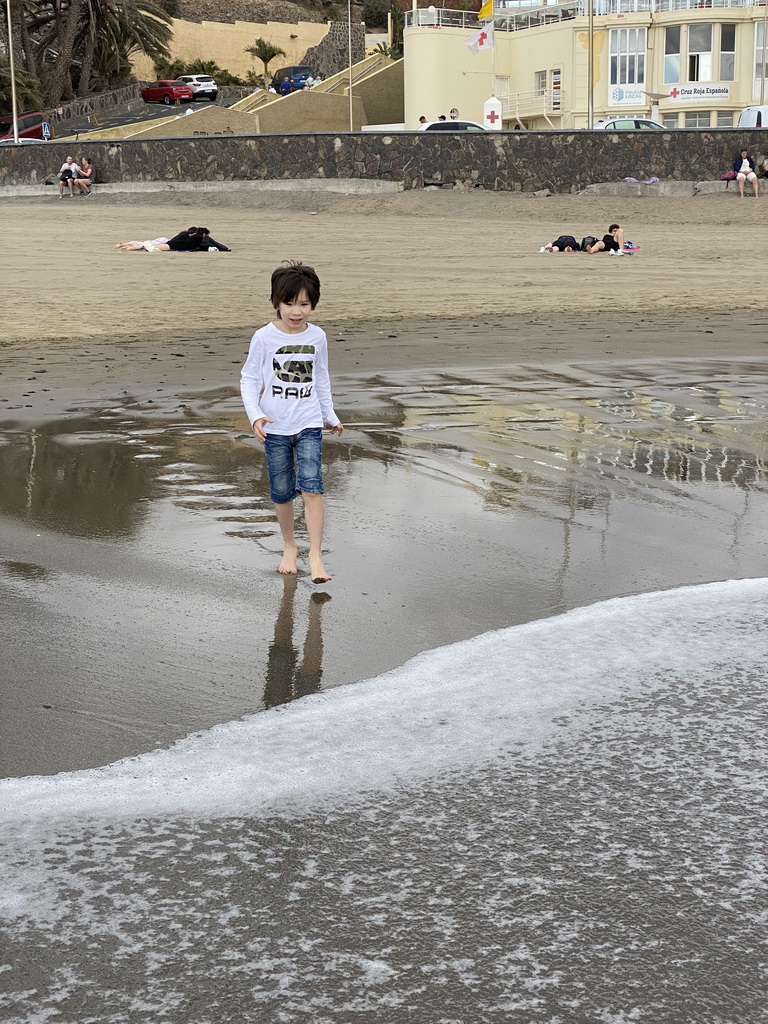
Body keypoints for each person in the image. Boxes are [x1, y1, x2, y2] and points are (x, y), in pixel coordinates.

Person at [240, 261, 344, 583]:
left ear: (313, 304)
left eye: (304, 304)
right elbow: (248, 378)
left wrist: (330, 415)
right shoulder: (264, 337)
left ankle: (315, 556)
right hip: (274, 426)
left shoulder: (318, 337)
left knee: (312, 487)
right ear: (276, 302)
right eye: (289, 303)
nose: (296, 311)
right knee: (282, 491)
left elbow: (321, 379)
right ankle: (289, 546)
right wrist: (255, 415)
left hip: (309, 422)